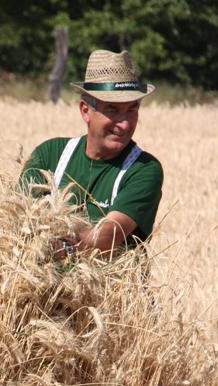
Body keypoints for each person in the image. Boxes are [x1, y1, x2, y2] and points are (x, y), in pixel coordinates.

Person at [19, 49, 163, 259]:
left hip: (111, 292)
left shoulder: (143, 169)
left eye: (132, 109)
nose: (124, 124)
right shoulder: (50, 155)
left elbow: (107, 236)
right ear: (85, 111)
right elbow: (20, 218)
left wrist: (56, 248)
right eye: (112, 109)